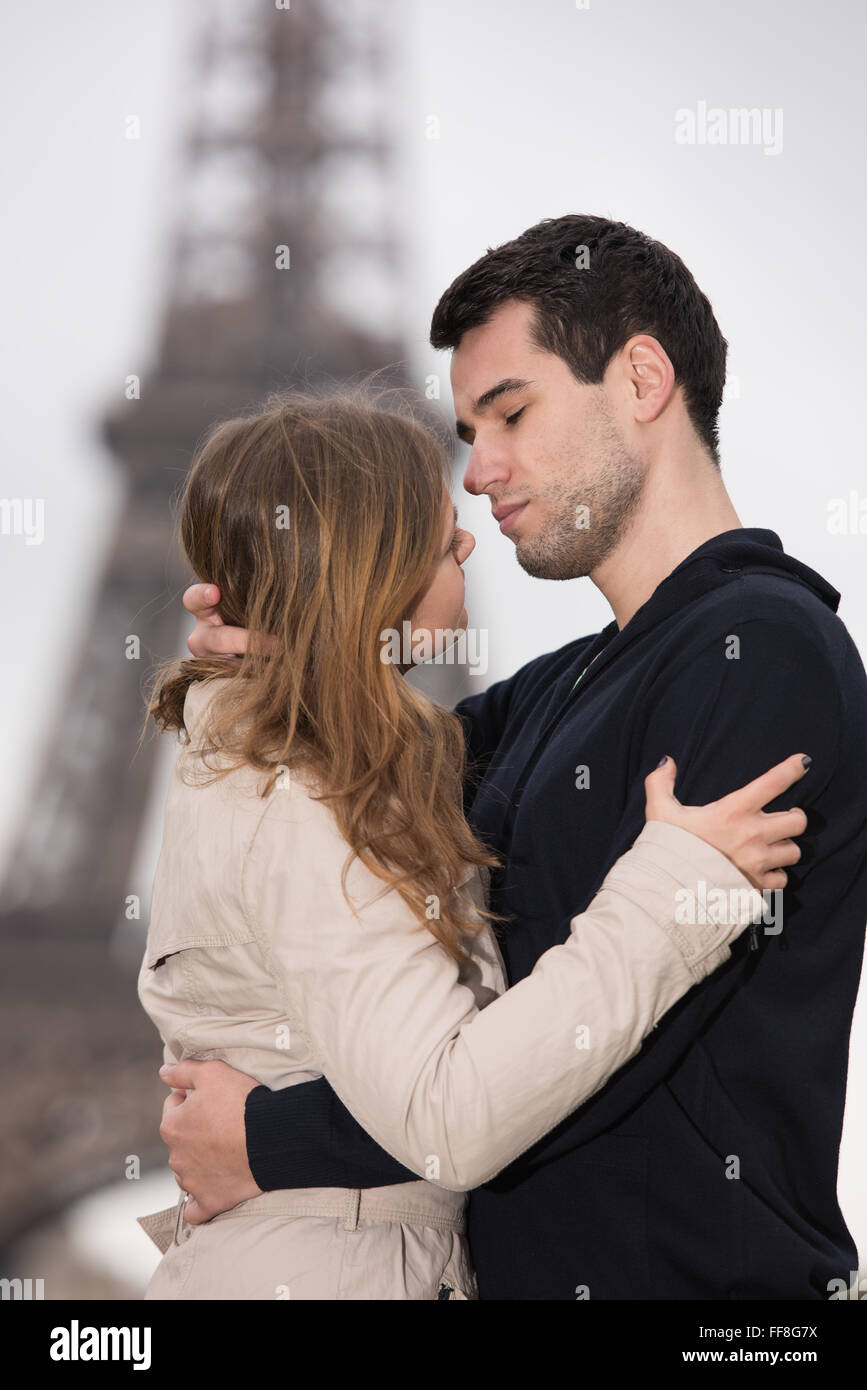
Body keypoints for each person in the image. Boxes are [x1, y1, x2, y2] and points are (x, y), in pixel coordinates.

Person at [163, 215, 867, 1300]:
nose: (478, 472)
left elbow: (599, 1048)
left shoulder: (758, 652)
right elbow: (350, 774)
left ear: (641, 379)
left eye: (511, 412)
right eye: (466, 430)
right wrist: (284, 656)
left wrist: (272, 1138)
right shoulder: (558, 695)